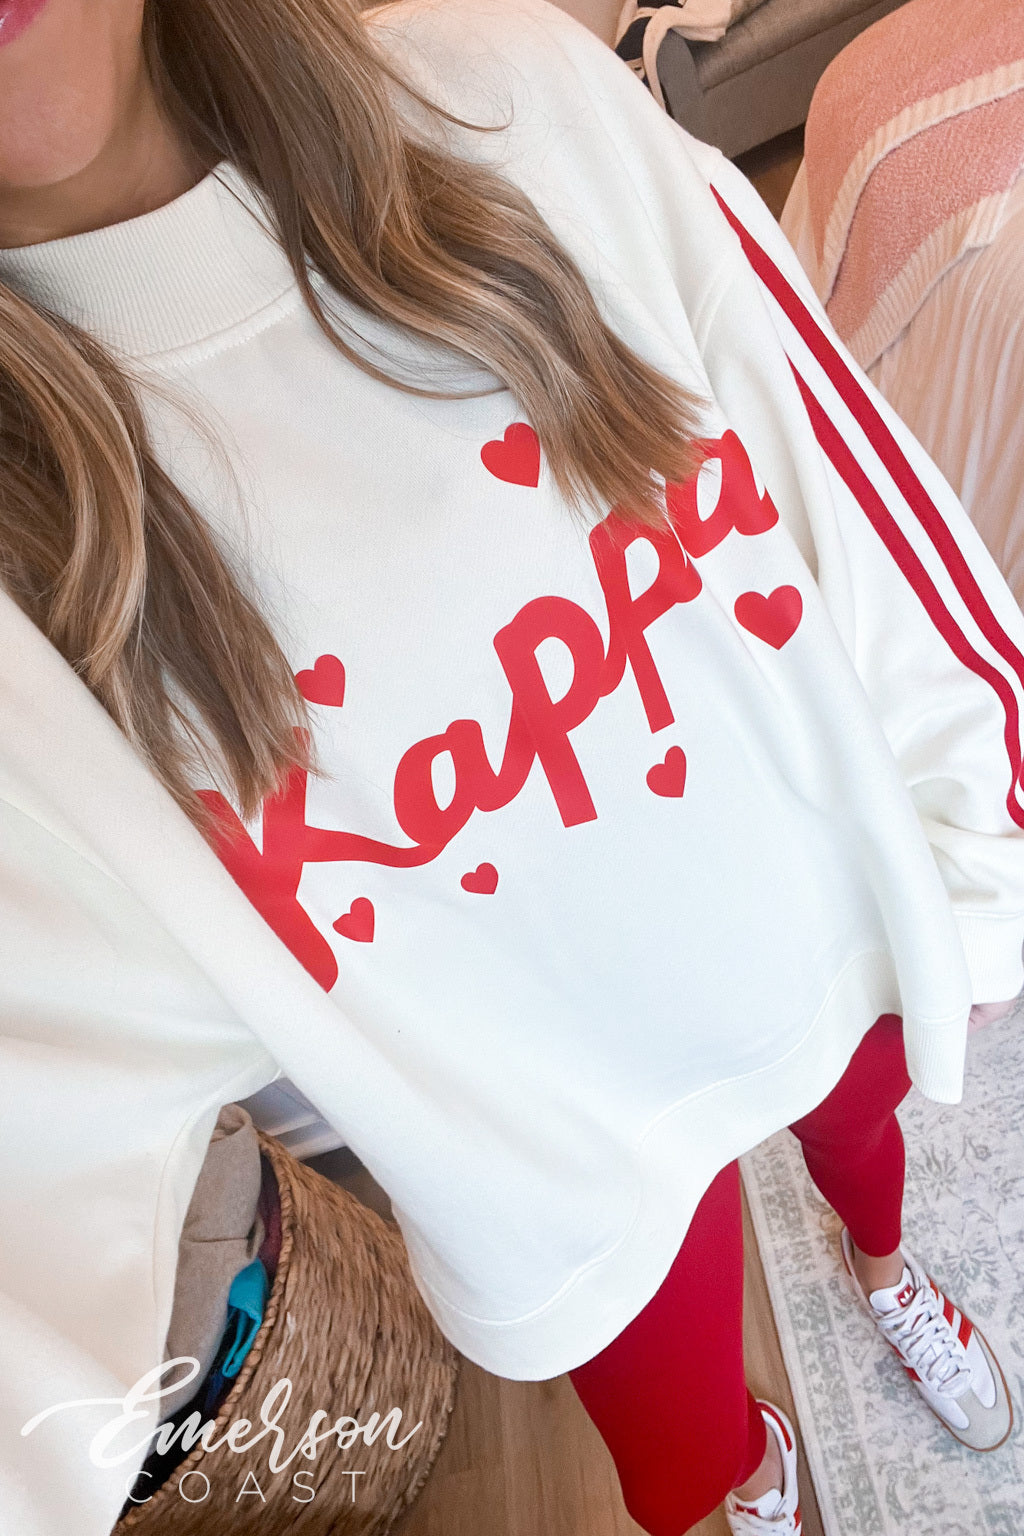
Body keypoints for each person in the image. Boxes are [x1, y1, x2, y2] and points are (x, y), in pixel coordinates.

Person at [0, 0, 1021, 1533]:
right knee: (685, 1465)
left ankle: (886, 1275)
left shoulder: (510, 100)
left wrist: (987, 868)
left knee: (870, 1158)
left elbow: (857, 501)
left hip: (815, 938)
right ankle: (768, 1483)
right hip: (571, 1168)